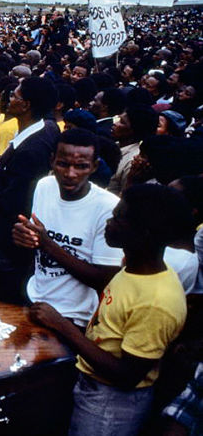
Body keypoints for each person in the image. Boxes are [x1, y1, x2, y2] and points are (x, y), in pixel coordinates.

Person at [29, 183, 192, 436]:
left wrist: (62, 325)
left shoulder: (157, 300)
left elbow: (127, 375)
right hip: (92, 386)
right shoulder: (131, 268)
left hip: (111, 405)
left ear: (144, 233)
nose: (108, 222)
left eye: (118, 218)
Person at [13, 129, 123, 327]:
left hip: (74, 318)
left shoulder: (108, 207)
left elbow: (104, 279)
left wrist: (47, 244)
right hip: (33, 299)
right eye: (63, 164)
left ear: (94, 167)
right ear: (52, 161)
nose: (70, 174)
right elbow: (34, 244)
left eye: (81, 166)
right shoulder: (44, 186)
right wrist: (24, 238)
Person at [0, 77, 61, 259]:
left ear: (25, 105)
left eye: (13, 95)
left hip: (9, 240)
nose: (9, 99)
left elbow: (11, 204)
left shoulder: (32, 151)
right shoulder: (44, 127)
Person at [108, 104, 158, 195]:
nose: (115, 123)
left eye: (122, 122)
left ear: (134, 130)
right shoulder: (113, 146)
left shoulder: (133, 161)